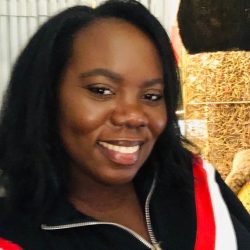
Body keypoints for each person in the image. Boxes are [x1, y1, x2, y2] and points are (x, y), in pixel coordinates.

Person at [0, 1, 249, 249]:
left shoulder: (196, 182)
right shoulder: (15, 237)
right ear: (45, 96)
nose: (134, 116)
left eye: (152, 96)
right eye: (101, 90)